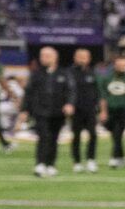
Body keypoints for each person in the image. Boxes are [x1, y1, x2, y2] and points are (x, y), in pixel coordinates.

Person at [24, 46, 69, 178]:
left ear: (55, 57)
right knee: (43, 136)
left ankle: (51, 164)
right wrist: (25, 109)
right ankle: (40, 163)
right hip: (40, 111)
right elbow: (29, 92)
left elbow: (70, 90)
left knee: (54, 138)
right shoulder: (36, 74)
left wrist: (69, 104)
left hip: (58, 111)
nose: (43, 58)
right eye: (42, 56)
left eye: (47, 56)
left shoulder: (63, 73)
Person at [99, 53, 125, 168]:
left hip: (124, 109)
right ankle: (121, 157)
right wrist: (103, 111)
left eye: (124, 65)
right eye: (120, 65)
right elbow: (103, 96)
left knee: (118, 133)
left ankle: (114, 158)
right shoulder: (107, 77)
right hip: (110, 109)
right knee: (116, 134)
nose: (122, 67)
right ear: (115, 65)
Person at [67, 47, 100, 173]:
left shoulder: (92, 72)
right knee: (76, 136)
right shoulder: (69, 72)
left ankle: (91, 160)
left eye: (85, 57)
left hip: (90, 109)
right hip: (76, 110)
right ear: (75, 58)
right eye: (80, 57)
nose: (82, 59)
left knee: (93, 135)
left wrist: (99, 107)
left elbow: (97, 91)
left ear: (89, 59)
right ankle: (77, 162)